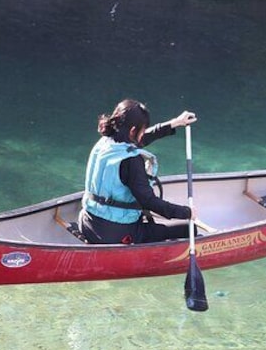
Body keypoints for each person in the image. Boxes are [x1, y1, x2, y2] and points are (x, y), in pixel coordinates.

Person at [79, 98, 197, 244]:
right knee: (187, 229)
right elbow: (149, 201)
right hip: (115, 233)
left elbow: (141, 139)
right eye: (142, 129)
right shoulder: (131, 161)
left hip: (86, 223)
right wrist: (186, 212)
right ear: (133, 130)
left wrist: (175, 122)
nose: (142, 134)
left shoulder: (105, 142)